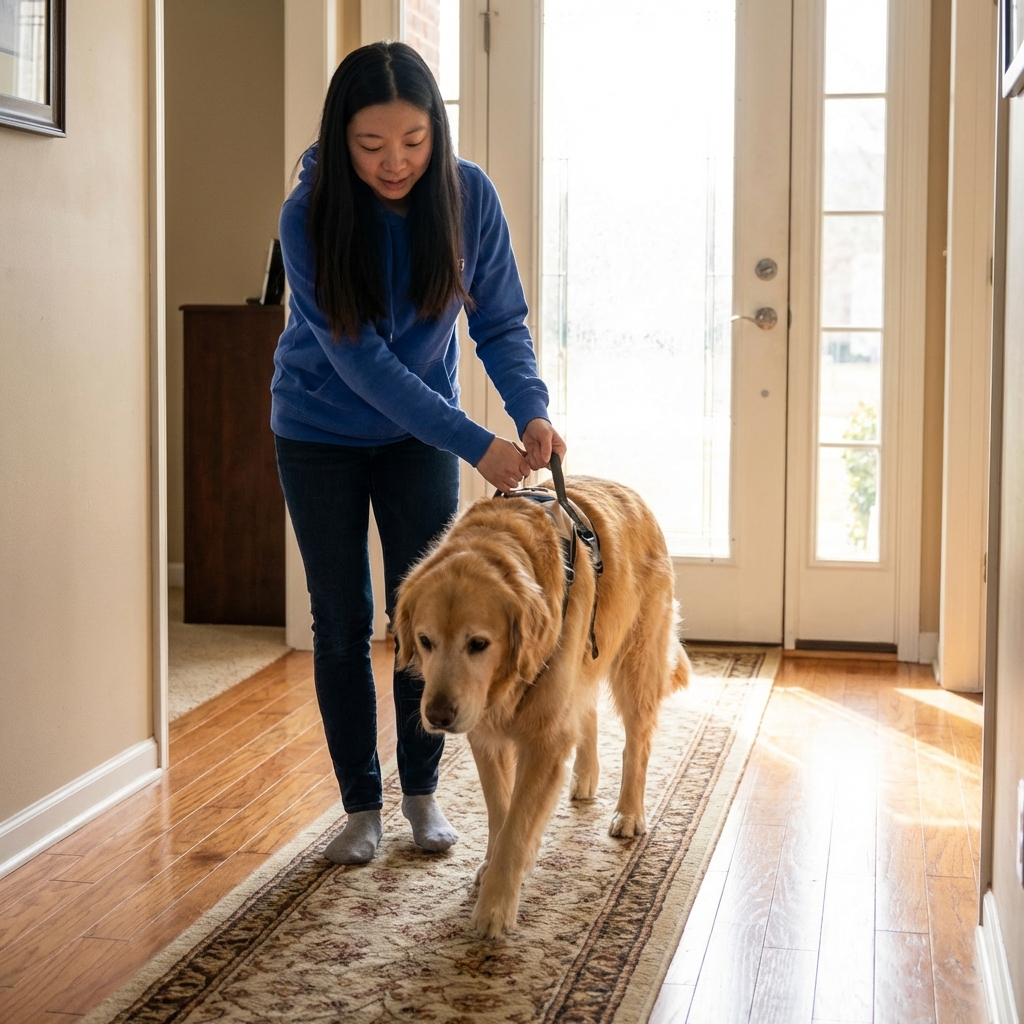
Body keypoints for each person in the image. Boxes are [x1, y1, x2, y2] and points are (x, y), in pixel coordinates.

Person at [271, 40, 566, 866]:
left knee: (430, 626)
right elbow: (359, 360)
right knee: (342, 619)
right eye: (370, 146)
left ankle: (422, 796)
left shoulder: (468, 196)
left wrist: (530, 414)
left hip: (416, 438)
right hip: (318, 433)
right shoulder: (309, 213)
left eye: (412, 142)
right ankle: (360, 807)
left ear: (437, 132)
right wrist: (479, 444)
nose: (394, 162)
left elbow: (500, 323)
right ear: (341, 138)